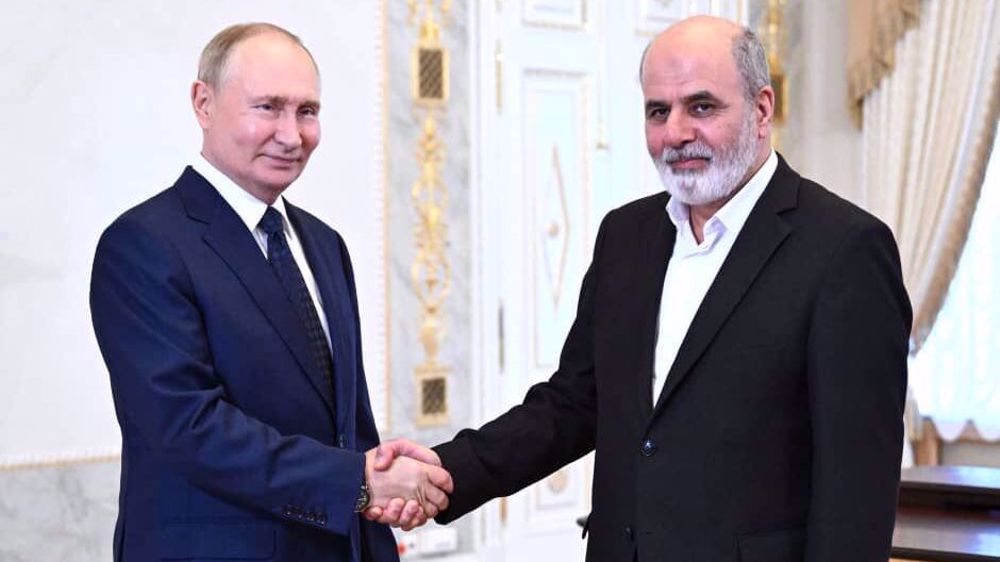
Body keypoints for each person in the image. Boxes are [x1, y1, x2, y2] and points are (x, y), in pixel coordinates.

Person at [368, 15, 912, 562]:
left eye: (702, 106)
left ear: (762, 109)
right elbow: (573, 405)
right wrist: (445, 472)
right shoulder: (625, 235)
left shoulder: (846, 249)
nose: (675, 133)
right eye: (658, 111)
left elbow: (856, 492)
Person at [90, 23, 452, 562]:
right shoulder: (143, 244)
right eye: (268, 107)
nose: (291, 134)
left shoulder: (324, 245)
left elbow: (345, 428)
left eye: (307, 111)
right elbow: (189, 427)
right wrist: (359, 481)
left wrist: (378, 509)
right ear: (203, 102)